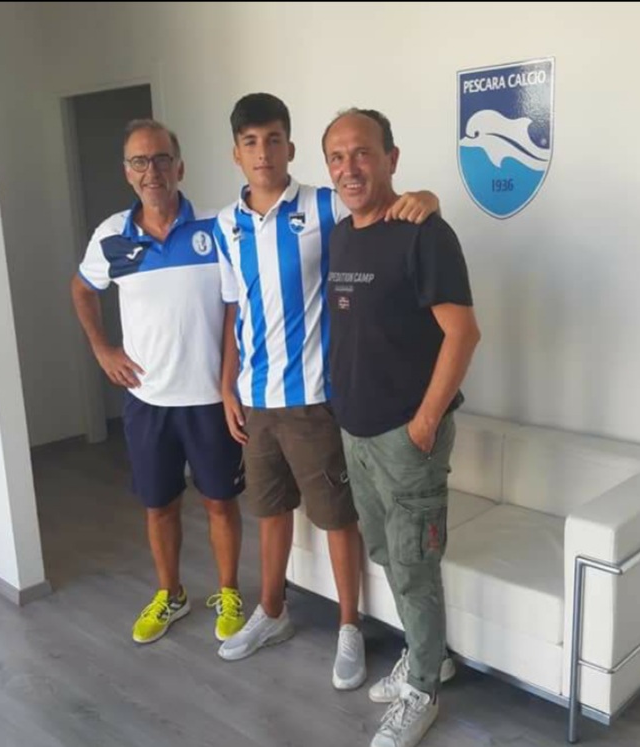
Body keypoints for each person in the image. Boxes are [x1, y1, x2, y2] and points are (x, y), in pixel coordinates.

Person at [212, 92, 440, 692]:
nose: (263, 153)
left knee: (338, 518)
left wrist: (429, 198)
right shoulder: (224, 225)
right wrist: (227, 384)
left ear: (290, 147)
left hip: (315, 398)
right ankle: (273, 612)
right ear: (236, 154)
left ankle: (348, 627)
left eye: (273, 140)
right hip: (256, 400)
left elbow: (387, 203)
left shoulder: (323, 204)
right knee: (268, 511)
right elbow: (234, 310)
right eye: (250, 142)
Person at [322, 107, 480, 746]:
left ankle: (423, 690)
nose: (349, 167)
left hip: (406, 437)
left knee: (414, 564)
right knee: (388, 553)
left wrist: (425, 421)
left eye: (362, 152)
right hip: (356, 432)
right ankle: (428, 655)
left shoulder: (424, 233)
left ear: (391, 157)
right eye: (337, 157)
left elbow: (463, 333)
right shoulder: (341, 235)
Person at [71, 119, 246, 647]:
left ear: (180, 167)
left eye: (162, 159)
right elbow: (82, 289)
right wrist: (102, 349)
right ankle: (171, 594)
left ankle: (229, 592)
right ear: (128, 172)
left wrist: (228, 385)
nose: (153, 171)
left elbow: (233, 310)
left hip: (210, 400)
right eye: (140, 161)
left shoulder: (217, 228)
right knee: (159, 505)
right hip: (148, 401)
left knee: (220, 502)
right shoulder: (111, 235)